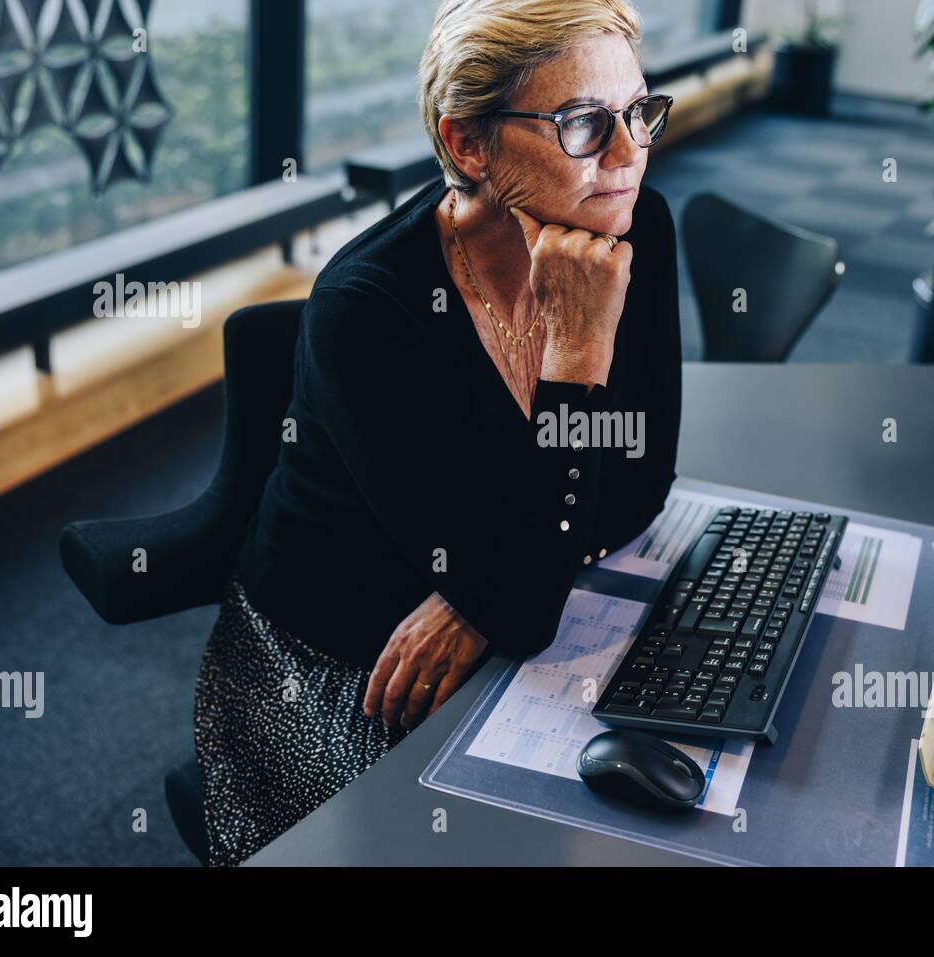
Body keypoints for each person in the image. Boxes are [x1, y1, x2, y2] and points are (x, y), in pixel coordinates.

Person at [193, 0, 682, 866]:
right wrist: (577, 355)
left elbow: (642, 484)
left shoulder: (634, 230)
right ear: (468, 145)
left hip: (487, 624)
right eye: (583, 123)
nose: (628, 156)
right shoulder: (368, 310)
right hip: (341, 659)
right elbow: (527, 602)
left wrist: (484, 592)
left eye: (640, 113)